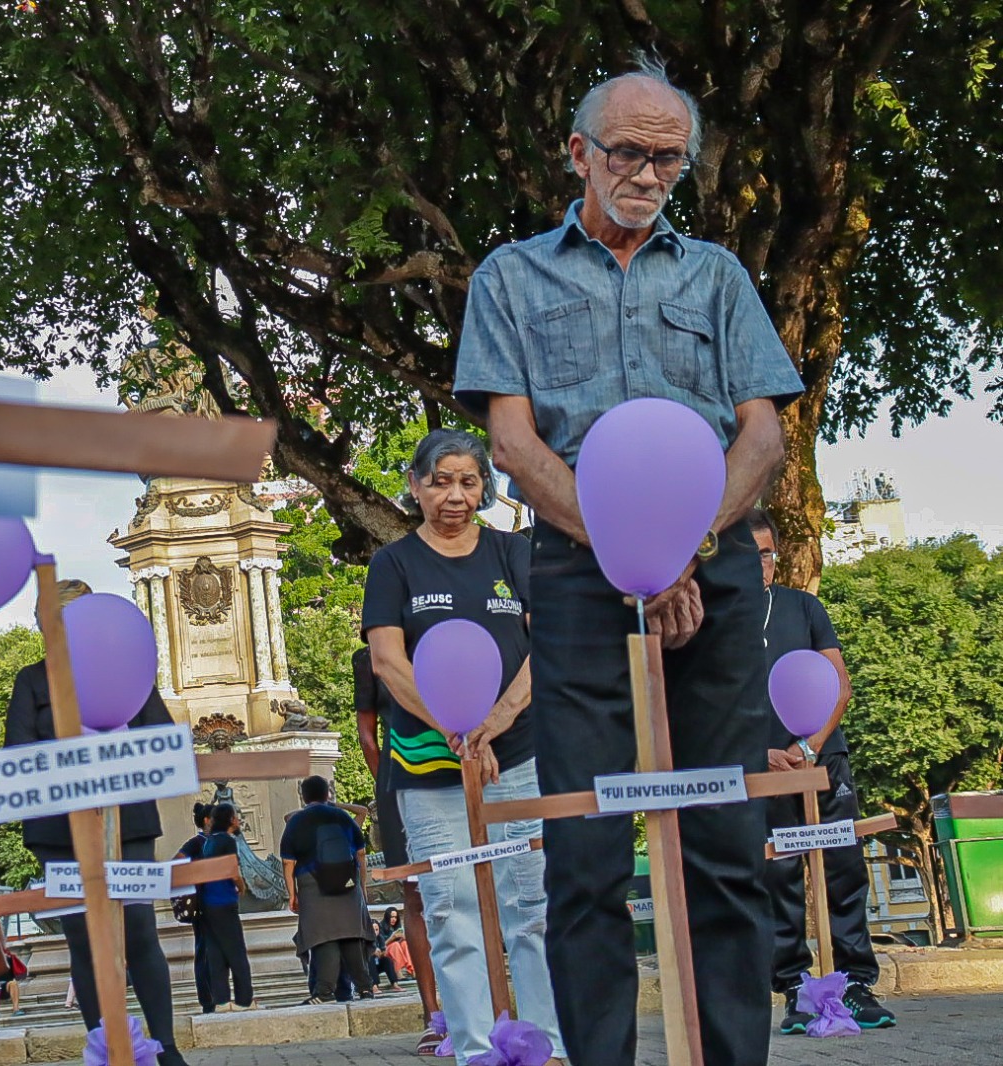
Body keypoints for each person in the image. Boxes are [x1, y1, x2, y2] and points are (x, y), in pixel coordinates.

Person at [454, 55, 806, 1066]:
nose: (648, 175)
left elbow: (761, 439)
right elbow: (513, 444)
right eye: (628, 152)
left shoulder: (718, 277)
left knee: (726, 843)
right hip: (572, 577)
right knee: (586, 847)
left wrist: (681, 553)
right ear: (578, 153)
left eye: (669, 158)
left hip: (716, 569)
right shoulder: (509, 278)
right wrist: (625, 559)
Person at [363, 430, 563, 1063]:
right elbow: (388, 663)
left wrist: (496, 721)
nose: (455, 495)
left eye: (468, 481)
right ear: (416, 485)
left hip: (517, 754)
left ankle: (545, 1043)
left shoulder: (514, 552)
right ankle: (476, 1048)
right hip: (428, 765)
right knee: (450, 909)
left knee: (530, 904)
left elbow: (545, 645)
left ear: (486, 487)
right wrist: (456, 731)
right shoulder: (393, 564)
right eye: (440, 480)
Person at [3, 579, 187, 1066]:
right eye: (47, 626)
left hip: (128, 824)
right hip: (59, 832)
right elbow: (17, 753)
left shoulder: (130, 675)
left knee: (140, 930)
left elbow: (163, 739)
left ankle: (165, 1047)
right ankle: (104, 1048)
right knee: (84, 940)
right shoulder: (32, 681)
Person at [749, 509, 895, 1033]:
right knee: (778, 876)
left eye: (766, 554)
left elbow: (840, 683)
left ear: (776, 556)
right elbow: (710, 702)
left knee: (842, 869)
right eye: (748, 554)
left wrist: (808, 747)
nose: (759, 564)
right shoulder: (717, 619)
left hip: (822, 760)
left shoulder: (804, 607)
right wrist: (758, 753)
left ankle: (856, 981)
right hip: (762, 770)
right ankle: (794, 987)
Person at [355, 646, 444, 1054]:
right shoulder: (370, 657)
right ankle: (433, 1014)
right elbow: (367, 736)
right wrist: (390, 782)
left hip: (459, 769)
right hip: (400, 779)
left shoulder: (442, 636)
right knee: (415, 894)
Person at [279, 776, 374, 1005]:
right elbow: (360, 854)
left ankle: (323, 992)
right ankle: (365, 988)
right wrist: (362, 886)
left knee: (324, 938)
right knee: (351, 935)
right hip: (347, 882)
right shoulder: (341, 817)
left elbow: (287, 863)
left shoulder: (297, 821)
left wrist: (292, 894)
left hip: (312, 884)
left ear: (303, 796)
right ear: (327, 793)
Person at [197, 803, 255, 1012]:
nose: (238, 820)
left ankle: (221, 1000)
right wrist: (242, 886)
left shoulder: (209, 842)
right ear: (229, 819)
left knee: (216, 952)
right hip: (224, 900)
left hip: (209, 902)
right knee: (236, 951)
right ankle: (244, 1000)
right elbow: (233, 869)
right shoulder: (227, 841)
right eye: (235, 816)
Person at [173, 803, 215, 1013]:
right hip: (204, 905)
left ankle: (216, 996)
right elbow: (176, 863)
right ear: (207, 820)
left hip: (216, 904)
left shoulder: (213, 842)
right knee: (205, 950)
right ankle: (208, 999)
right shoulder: (197, 843)